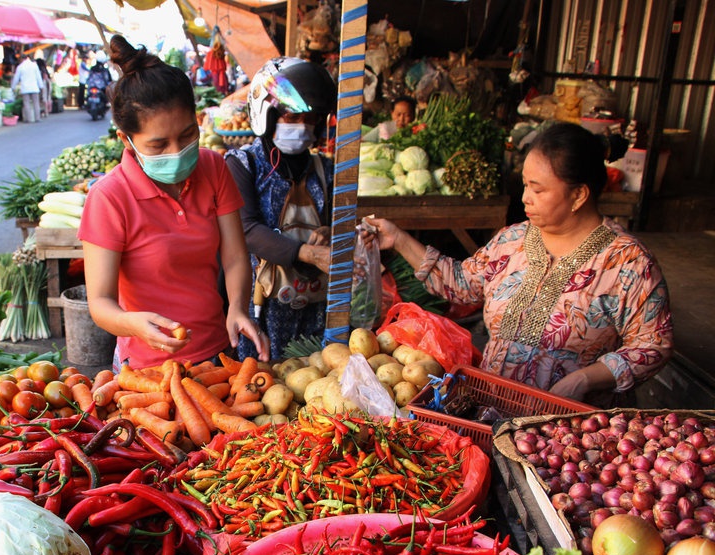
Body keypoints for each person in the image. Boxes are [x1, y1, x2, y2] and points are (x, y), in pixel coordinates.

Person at [365, 122, 673, 407]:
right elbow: (461, 285)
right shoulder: (512, 240)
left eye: (538, 190)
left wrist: (584, 378)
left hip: (570, 432)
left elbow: (653, 345)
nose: (525, 198)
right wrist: (400, 240)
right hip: (492, 413)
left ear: (579, 195)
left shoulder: (629, 264)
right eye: (525, 185)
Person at [78, 35, 270, 369]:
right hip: (146, 368)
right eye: (158, 145)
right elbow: (100, 302)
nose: (176, 152)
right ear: (126, 139)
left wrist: (237, 308)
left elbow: (236, 256)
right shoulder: (109, 197)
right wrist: (134, 325)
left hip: (217, 354)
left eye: (186, 136)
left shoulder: (213, 167)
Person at [224, 57, 337, 361]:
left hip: (313, 302)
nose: (302, 127)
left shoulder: (324, 168)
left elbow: (337, 222)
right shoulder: (242, 164)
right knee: (258, 381)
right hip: (260, 303)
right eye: (291, 118)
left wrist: (326, 234)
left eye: (310, 120)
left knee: (311, 378)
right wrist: (307, 252)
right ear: (268, 115)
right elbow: (246, 229)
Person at [11, 52, 43, 123]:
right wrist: (41, 86)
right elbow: (38, 76)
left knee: (26, 103)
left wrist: (12, 87)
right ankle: (37, 118)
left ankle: (28, 119)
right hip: (34, 87)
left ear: (22, 59)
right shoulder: (34, 65)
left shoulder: (20, 67)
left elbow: (16, 78)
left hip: (25, 88)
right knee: (36, 103)